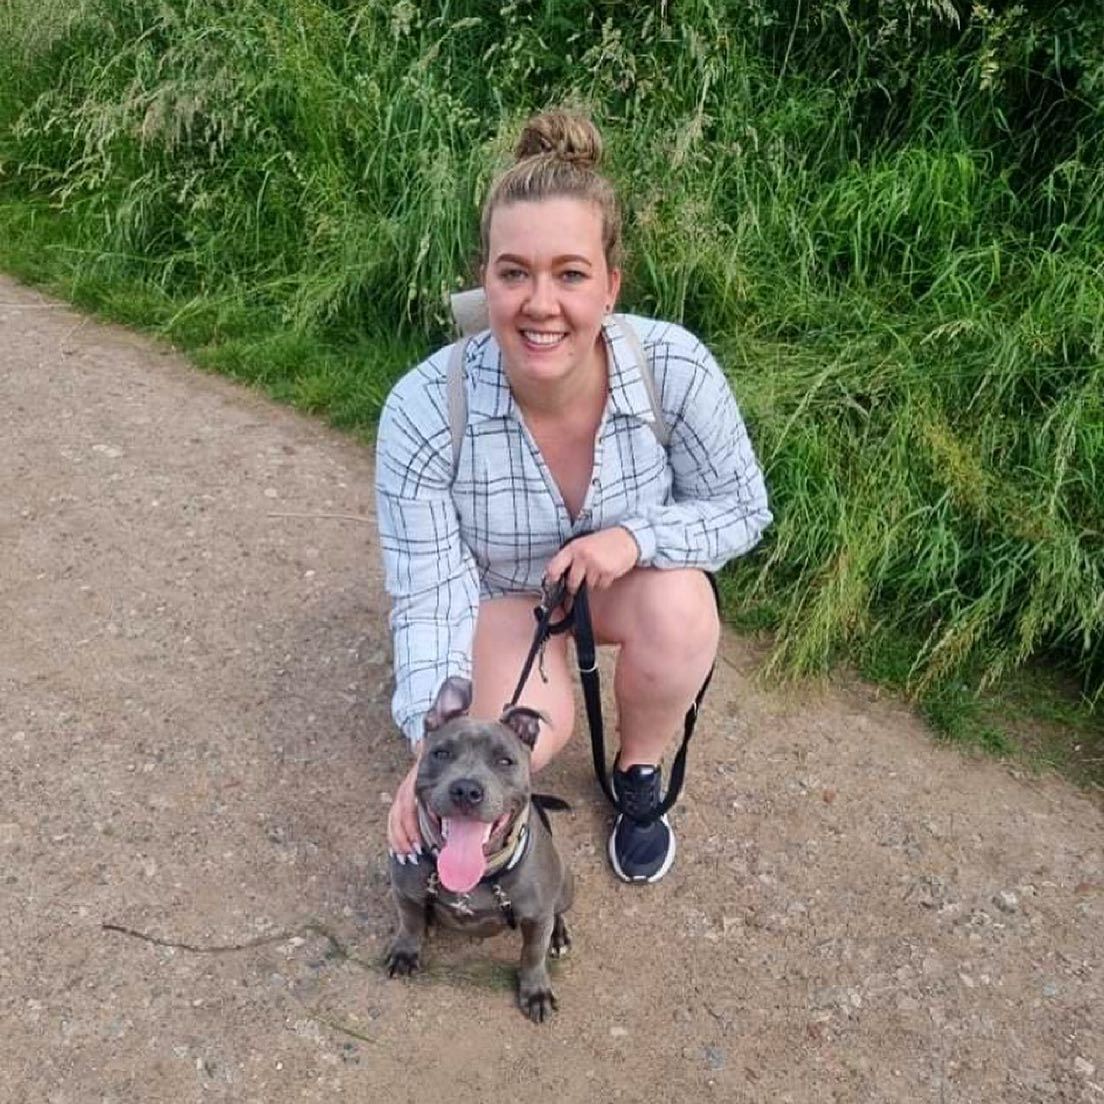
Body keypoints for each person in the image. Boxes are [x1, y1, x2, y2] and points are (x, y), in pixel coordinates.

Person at [375, 109, 771, 884]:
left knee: (683, 605)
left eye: (570, 274)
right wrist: (432, 746)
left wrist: (634, 540)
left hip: (623, 589)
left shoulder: (676, 367)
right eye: (514, 273)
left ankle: (637, 770)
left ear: (610, 285)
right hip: (504, 607)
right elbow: (429, 597)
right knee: (495, 754)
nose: (540, 303)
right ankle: (480, 843)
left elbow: (740, 507)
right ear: (484, 279)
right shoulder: (422, 408)